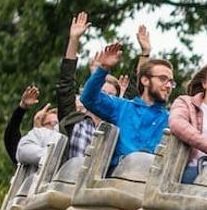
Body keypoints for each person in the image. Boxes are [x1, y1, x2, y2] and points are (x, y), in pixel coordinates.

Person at [57, 12, 150, 159]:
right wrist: (74, 40)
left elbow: (137, 91)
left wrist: (145, 53)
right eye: (102, 92)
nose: (105, 97)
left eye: (110, 95)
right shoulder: (72, 119)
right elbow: (66, 83)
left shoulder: (117, 127)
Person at [80, 42, 172, 167]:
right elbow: (88, 98)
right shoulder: (121, 107)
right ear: (145, 80)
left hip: (150, 176)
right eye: (163, 79)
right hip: (115, 175)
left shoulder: (171, 120)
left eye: (171, 82)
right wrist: (103, 69)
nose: (168, 85)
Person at [4, 85, 41, 165]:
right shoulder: (26, 153)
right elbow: (11, 136)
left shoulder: (60, 149)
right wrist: (22, 107)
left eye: (54, 123)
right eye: (48, 122)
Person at [16, 104, 60, 170]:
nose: (53, 125)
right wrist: (51, 156)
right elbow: (22, 151)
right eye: (48, 123)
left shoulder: (64, 133)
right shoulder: (39, 133)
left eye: (56, 123)